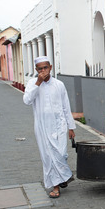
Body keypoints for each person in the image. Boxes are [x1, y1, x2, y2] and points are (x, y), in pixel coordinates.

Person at [23, 56, 76, 198]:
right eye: (40, 69)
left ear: (50, 67)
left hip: (60, 126)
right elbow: (27, 100)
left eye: (45, 67)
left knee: (61, 154)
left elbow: (66, 106)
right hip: (42, 128)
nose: (43, 71)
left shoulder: (59, 84)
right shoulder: (32, 83)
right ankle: (56, 186)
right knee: (49, 157)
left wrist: (71, 127)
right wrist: (38, 83)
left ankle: (63, 176)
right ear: (36, 70)